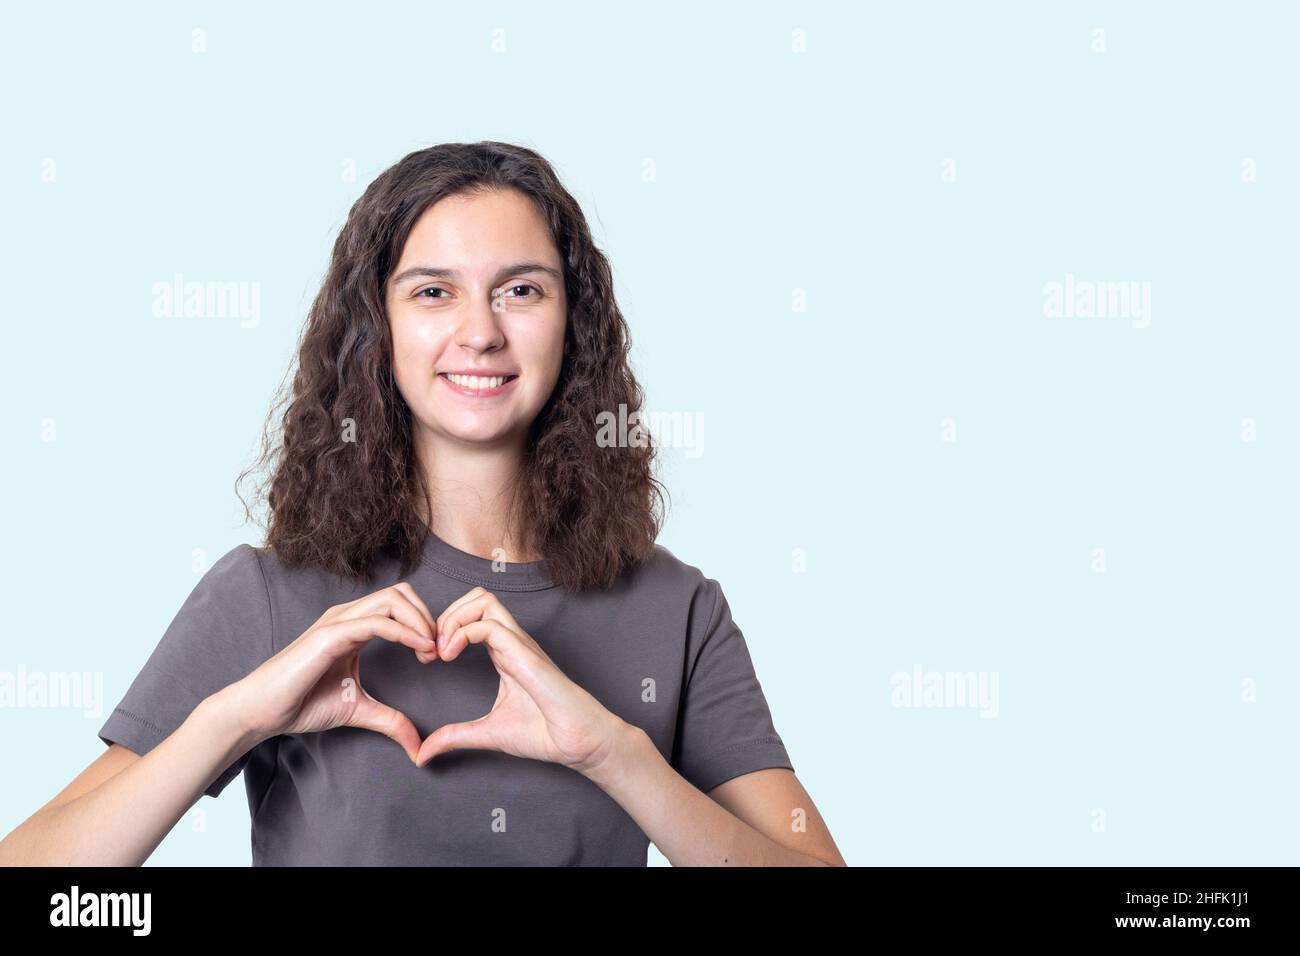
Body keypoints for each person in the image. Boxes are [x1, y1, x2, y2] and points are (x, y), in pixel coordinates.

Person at [0, 141, 845, 866]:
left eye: (521, 290)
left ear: (572, 324)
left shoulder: (677, 611)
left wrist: (619, 757)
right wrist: (231, 719)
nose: (479, 332)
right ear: (380, 328)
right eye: (433, 291)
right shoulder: (266, 596)